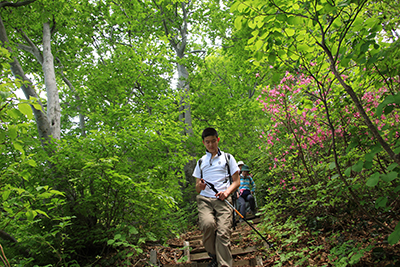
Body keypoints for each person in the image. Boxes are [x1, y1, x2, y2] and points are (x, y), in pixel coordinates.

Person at [193, 127, 240, 267]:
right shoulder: (201, 162)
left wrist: (226, 193)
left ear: (218, 140)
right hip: (205, 200)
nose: (211, 145)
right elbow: (196, 187)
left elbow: (237, 181)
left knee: (223, 232)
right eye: (207, 142)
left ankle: (223, 264)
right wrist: (199, 186)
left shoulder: (228, 158)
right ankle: (214, 254)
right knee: (208, 225)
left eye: (213, 141)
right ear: (203, 143)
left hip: (223, 199)